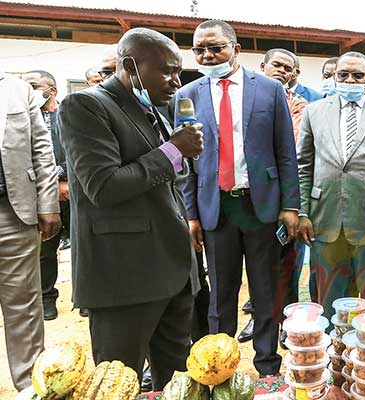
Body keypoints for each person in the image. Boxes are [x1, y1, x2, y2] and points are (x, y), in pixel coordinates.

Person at [58, 28, 202, 388]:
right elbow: (103, 186)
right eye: (166, 70)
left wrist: (179, 153)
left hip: (172, 269)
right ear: (129, 66)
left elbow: (160, 181)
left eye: (178, 72)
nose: (175, 81)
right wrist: (173, 151)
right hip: (124, 276)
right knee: (118, 382)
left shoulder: (156, 108)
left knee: (178, 383)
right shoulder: (86, 106)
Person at [175, 19, 299, 377]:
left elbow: (285, 152)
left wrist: (290, 206)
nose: (207, 55)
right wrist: (192, 215)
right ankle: (220, 363)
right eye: (199, 49)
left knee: (264, 289)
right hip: (216, 206)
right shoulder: (188, 95)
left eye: (216, 48)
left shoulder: (270, 90)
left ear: (236, 49)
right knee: (221, 292)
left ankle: (267, 364)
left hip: (260, 205)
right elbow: (186, 161)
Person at [297, 51, 365, 320]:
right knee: (332, 303)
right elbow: (303, 166)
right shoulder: (314, 111)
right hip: (325, 219)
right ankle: (337, 358)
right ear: (334, 77)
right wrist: (302, 212)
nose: (349, 80)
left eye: (357, 75)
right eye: (343, 75)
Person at [234, 48, 313, 344]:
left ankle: (288, 322)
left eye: (288, 68)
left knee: (287, 263)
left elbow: (294, 148)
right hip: (252, 198)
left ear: (294, 75)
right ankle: (260, 318)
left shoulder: (301, 105)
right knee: (257, 265)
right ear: (263, 66)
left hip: (288, 196)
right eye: (276, 65)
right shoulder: (244, 99)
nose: (282, 71)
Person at [0, 71, 60, 391]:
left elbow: (42, 152)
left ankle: (30, 389)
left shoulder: (17, 90)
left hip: (12, 213)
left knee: (23, 305)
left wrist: (47, 204)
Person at [21, 70, 68, 321]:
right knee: (46, 249)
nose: (30, 90)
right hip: (42, 196)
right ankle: (47, 297)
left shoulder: (69, 114)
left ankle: (82, 298)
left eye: (34, 85)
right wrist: (51, 181)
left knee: (83, 246)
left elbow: (80, 151)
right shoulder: (24, 120)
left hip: (73, 191)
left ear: (53, 90)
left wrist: (62, 176)